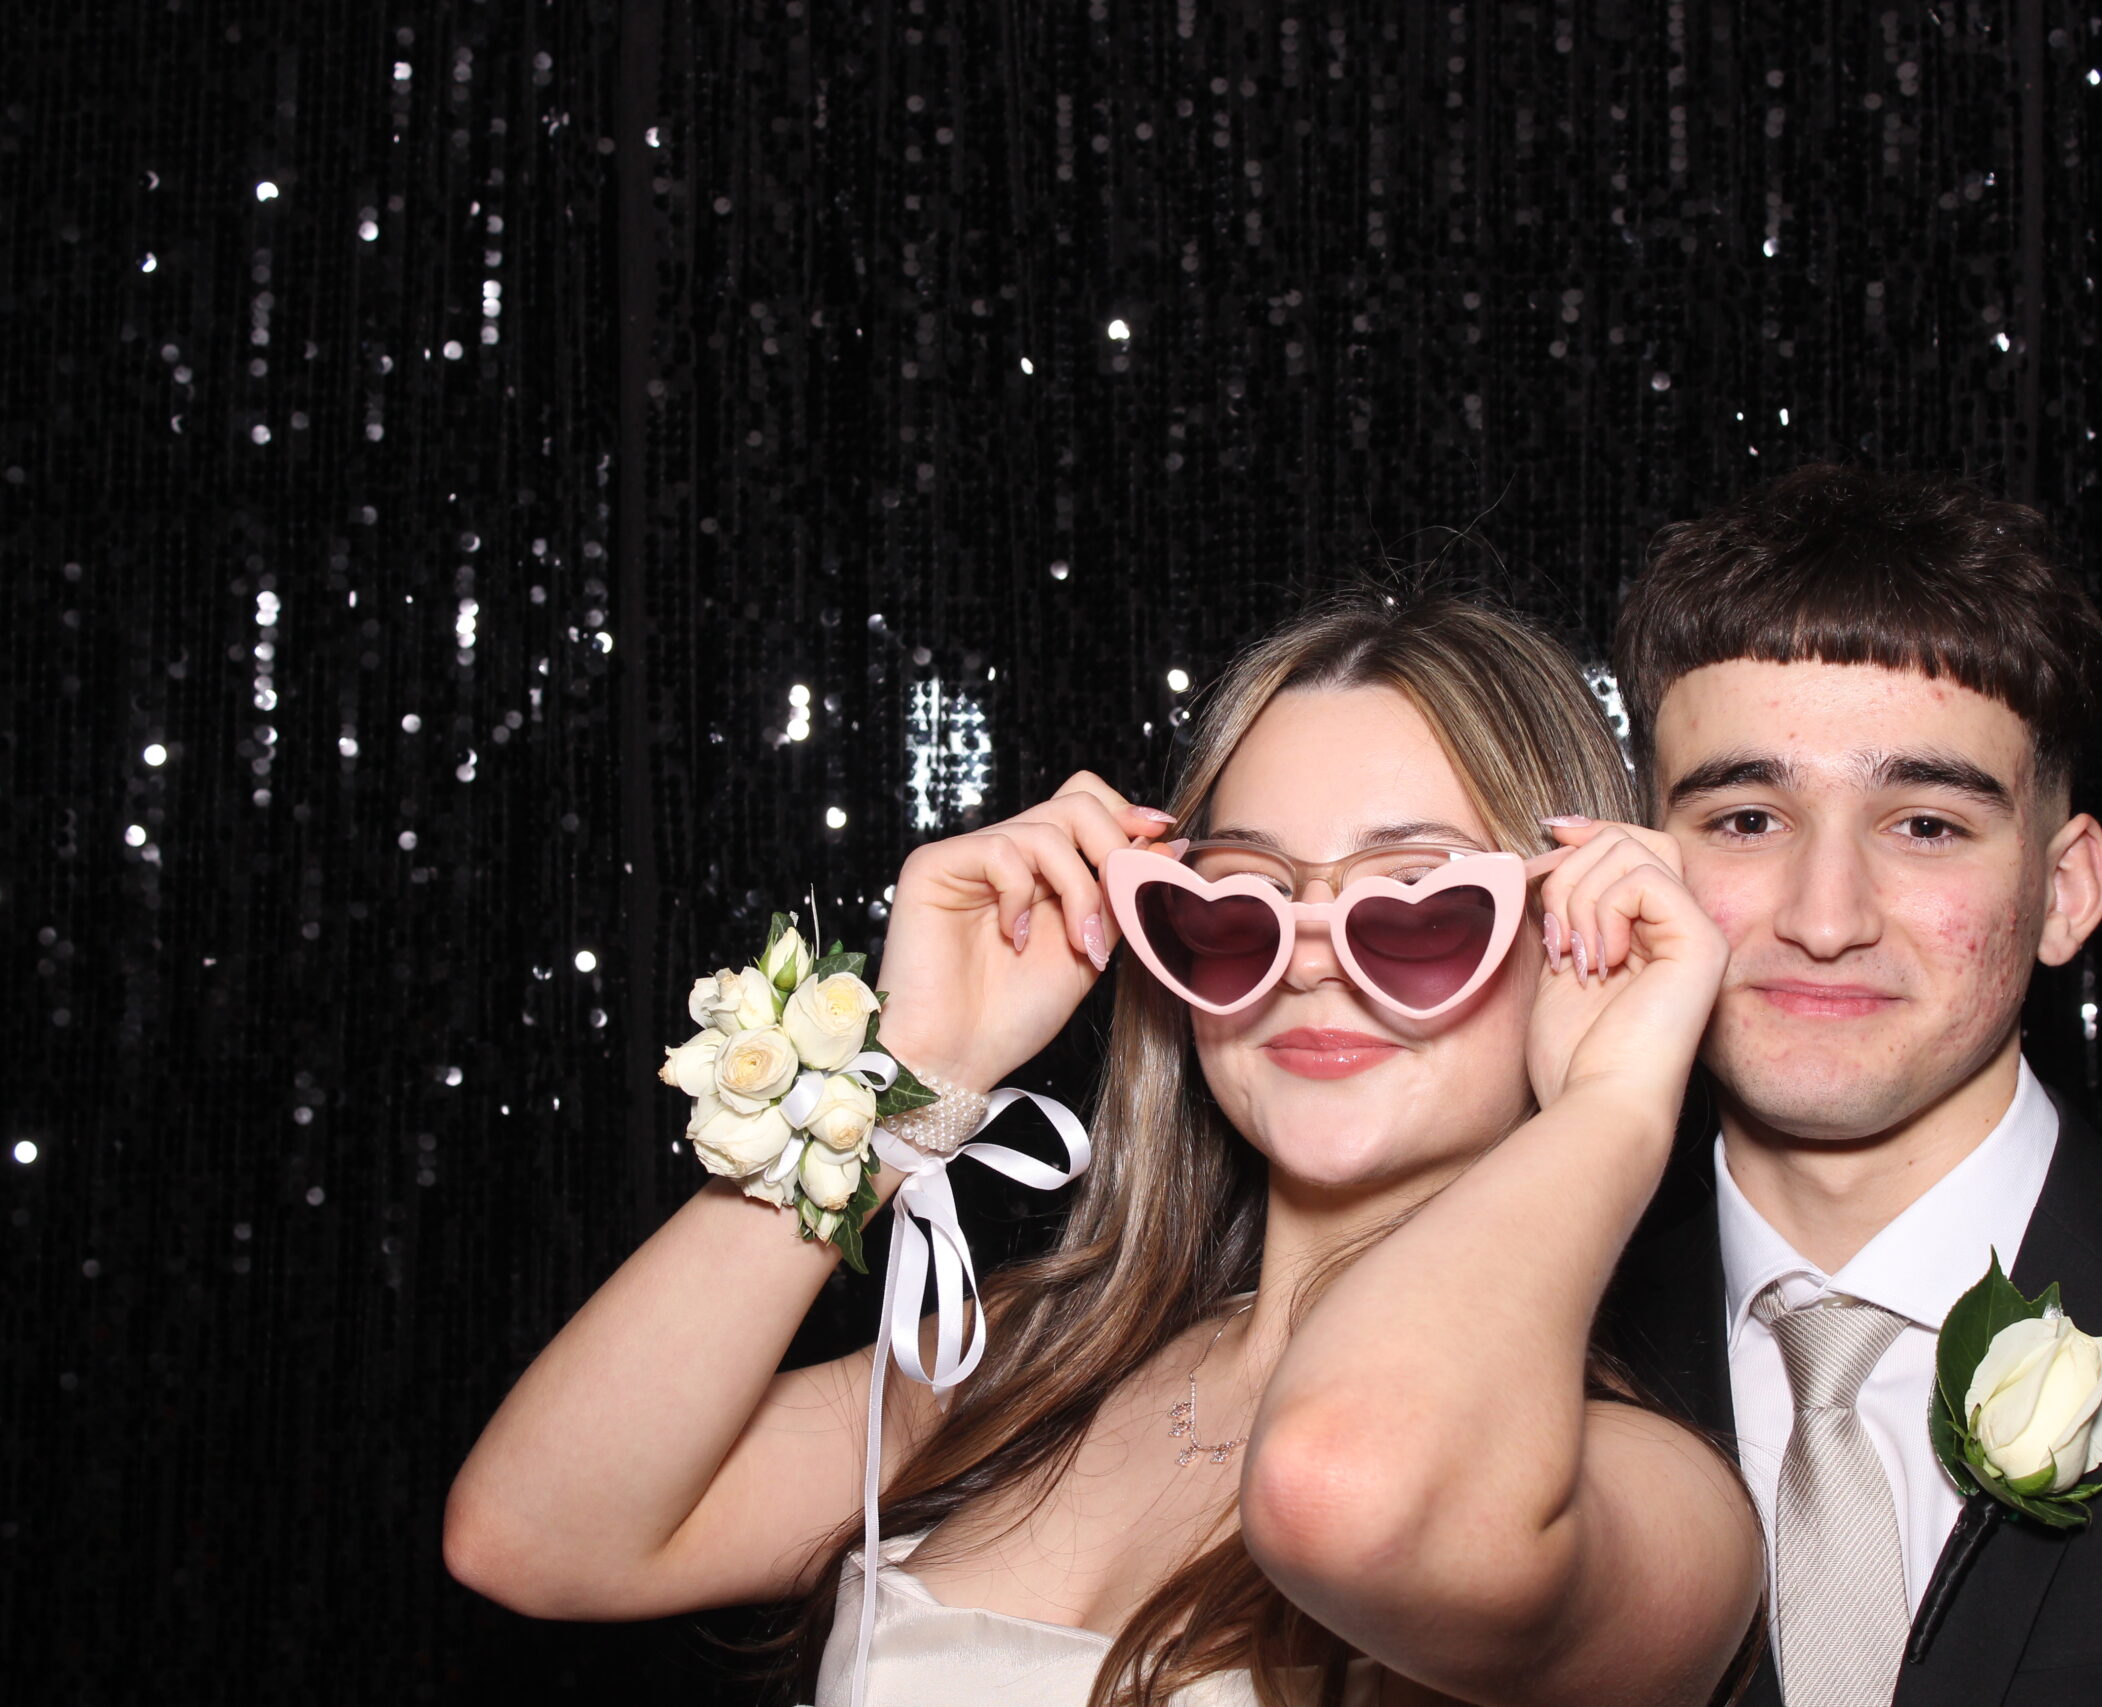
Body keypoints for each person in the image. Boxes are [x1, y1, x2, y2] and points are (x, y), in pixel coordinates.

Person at [443, 588, 1762, 1706]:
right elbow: (539, 1532)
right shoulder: (1030, 1360)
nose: (1308, 965)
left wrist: (1612, 1102)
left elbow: (1350, 1485)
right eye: (1236, 903)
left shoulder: (1658, 1507)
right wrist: (894, 1090)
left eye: (1418, 906)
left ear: (1578, 945)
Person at [1601, 464, 2102, 1707]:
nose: (1825, 918)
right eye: (1747, 820)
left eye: (1925, 824)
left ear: (2064, 891)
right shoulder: (1543, 1376)